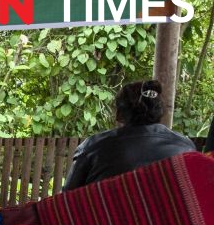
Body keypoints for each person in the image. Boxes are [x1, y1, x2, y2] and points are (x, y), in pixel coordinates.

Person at [63, 80, 196, 191]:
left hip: (106, 221)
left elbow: (67, 199)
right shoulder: (186, 148)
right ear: (160, 112)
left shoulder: (93, 147)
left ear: (119, 114)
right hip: (165, 221)